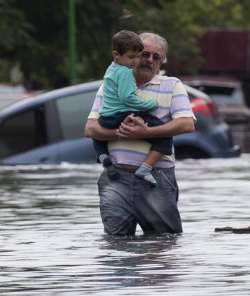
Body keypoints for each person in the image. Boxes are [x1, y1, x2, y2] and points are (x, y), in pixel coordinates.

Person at [84, 32, 196, 236]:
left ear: (162, 62)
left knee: (163, 244)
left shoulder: (172, 85)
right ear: (132, 55)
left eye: (157, 57)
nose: (149, 60)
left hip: (157, 178)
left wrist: (147, 132)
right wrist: (124, 133)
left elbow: (187, 124)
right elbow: (90, 129)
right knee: (115, 246)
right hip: (116, 178)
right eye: (144, 54)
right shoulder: (110, 84)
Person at [94, 30, 171, 188]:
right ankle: (145, 168)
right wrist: (150, 104)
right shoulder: (125, 72)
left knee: (98, 136)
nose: (136, 61)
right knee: (165, 136)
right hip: (123, 115)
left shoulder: (111, 69)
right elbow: (127, 97)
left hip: (106, 117)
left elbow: (187, 125)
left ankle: (103, 157)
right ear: (117, 55)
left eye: (156, 57)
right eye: (135, 56)